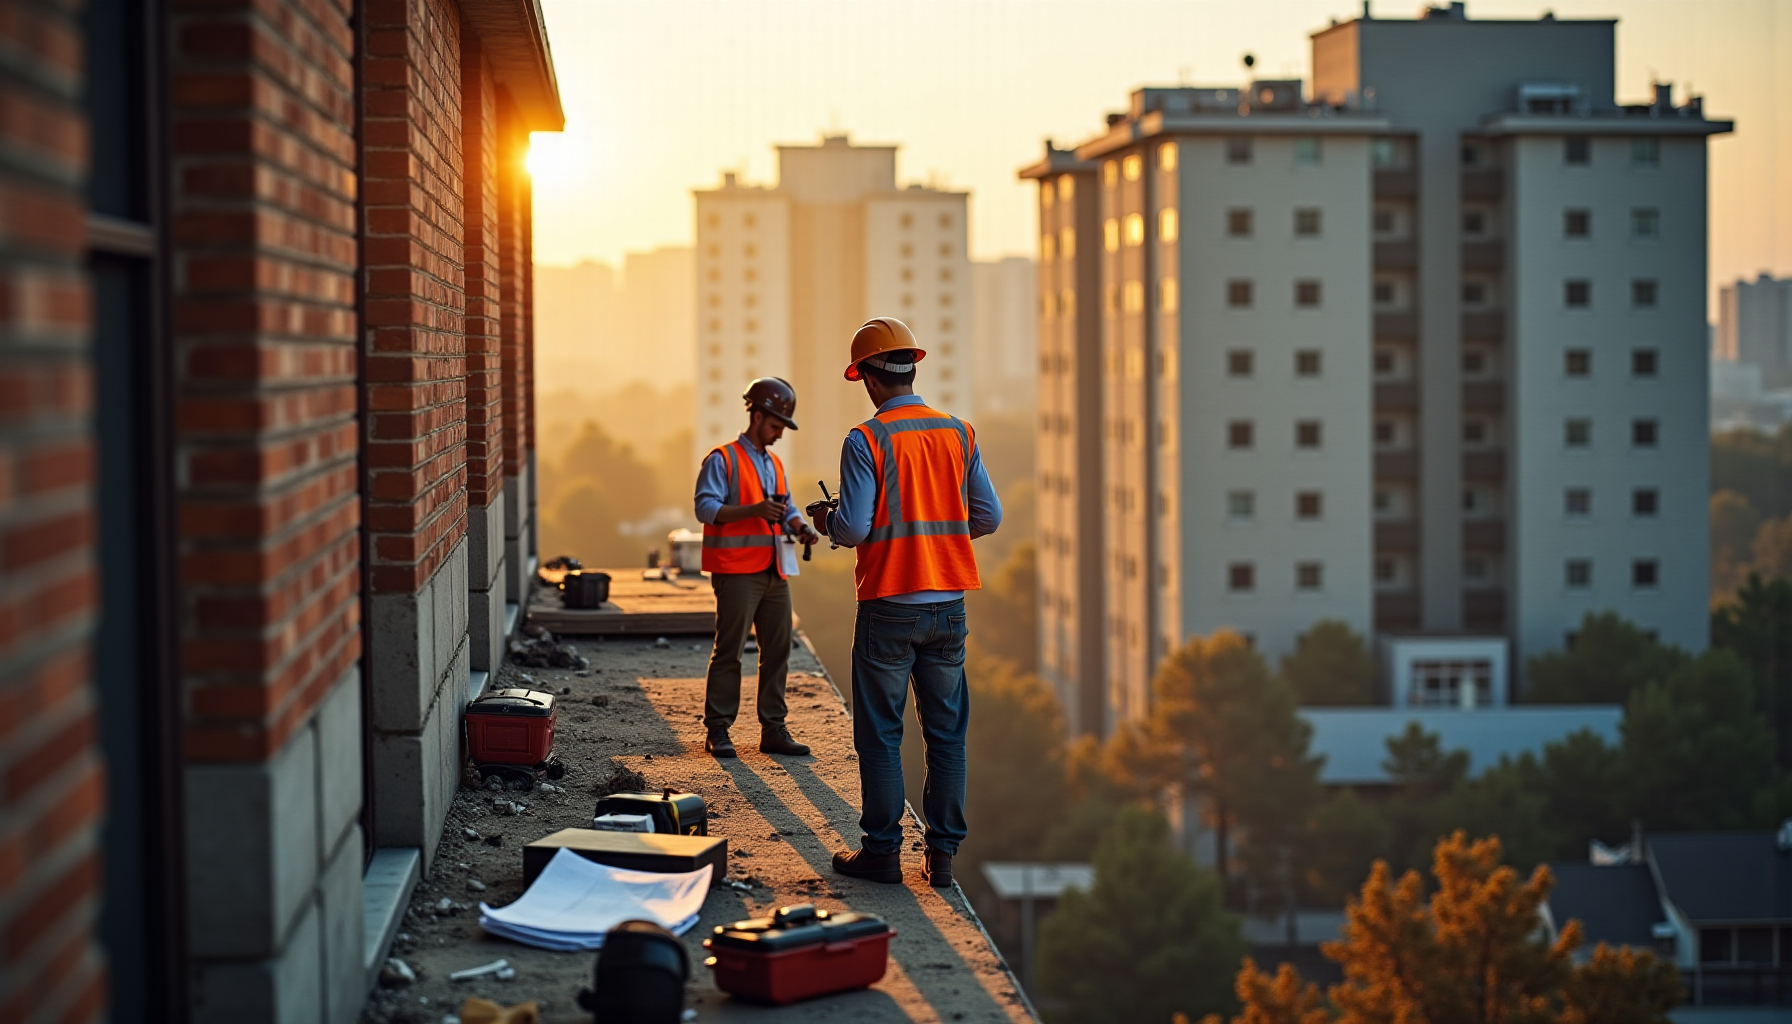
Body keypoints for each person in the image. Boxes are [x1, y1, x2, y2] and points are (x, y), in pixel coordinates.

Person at [804, 317, 1001, 888]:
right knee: (946, 734)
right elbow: (988, 517)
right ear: (912, 368)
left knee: (882, 733)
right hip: (949, 607)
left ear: (867, 377)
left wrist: (830, 524)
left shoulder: (865, 439)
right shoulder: (959, 432)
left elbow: (857, 526)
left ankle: (883, 854)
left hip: (889, 604)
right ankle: (941, 859)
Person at [693, 377, 821, 758]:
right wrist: (753, 510)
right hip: (736, 571)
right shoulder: (723, 459)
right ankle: (718, 729)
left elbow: (787, 507)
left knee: (779, 647)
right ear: (758, 415)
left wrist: (800, 528)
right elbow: (705, 508)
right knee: (730, 649)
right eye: (776, 425)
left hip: (773, 571)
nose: (780, 433)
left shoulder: (775, 464)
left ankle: (773, 728)